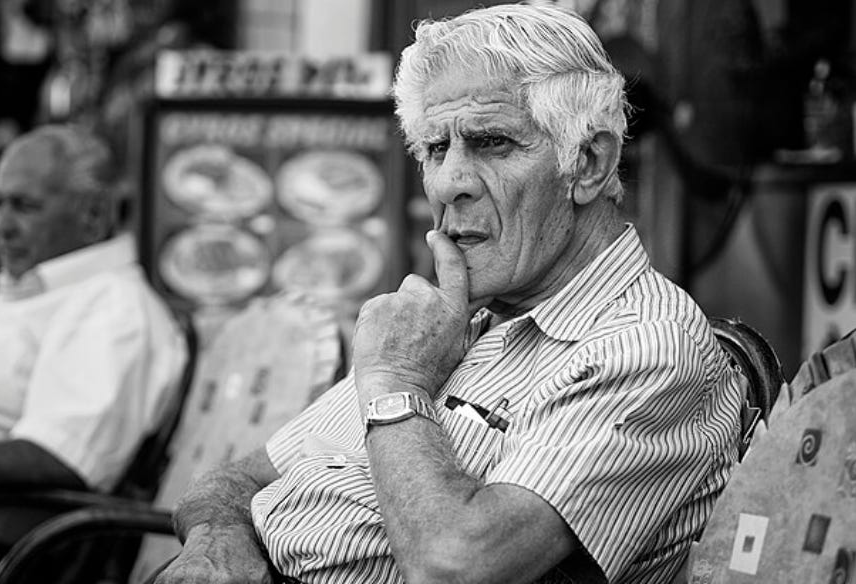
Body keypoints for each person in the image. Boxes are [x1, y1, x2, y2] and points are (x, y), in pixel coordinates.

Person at [158, 4, 743, 584]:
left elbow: (456, 567)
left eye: (492, 143)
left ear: (588, 164)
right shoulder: (454, 320)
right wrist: (217, 542)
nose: (448, 183)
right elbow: (234, 480)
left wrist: (397, 384)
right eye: (436, 149)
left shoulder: (647, 346)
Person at [0, 124, 186, 580]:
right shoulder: (40, 293)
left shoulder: (113, 305)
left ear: (93, 215)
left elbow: (62, 455)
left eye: (24, 206)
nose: (2, 226)